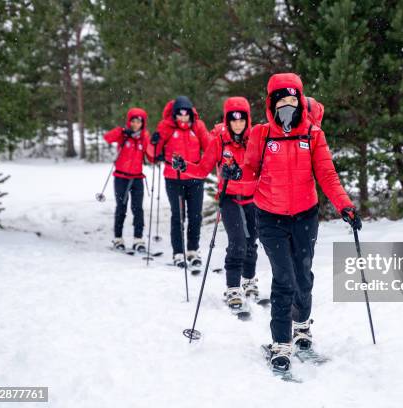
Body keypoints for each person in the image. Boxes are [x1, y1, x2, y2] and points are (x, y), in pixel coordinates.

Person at [228, 73, 363, 372]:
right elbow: (250, 170)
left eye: (292, 99)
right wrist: (236, 176)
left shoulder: (313, 134)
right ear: (271, 103)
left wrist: (345, 205)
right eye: (281, 100)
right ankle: (281, 342)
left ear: (300, 101)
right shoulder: (261, 135)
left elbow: (327, 175)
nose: (287, 105)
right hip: (270, 217)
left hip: (305, 215)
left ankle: (302, 326)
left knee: (303, 275)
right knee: (284, 278)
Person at [173, 96, 259, 309]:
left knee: (251, 243)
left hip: (253, 199)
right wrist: (185, 166)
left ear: (247, 120)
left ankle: (249, 280)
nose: (238, 124)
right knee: (238, 242)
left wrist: (242, 172)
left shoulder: (256, 140)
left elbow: (263, 168)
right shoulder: (220, 142)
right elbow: (203, 169)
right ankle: (232, 287)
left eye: (242, 120)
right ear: (227, 121)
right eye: (233, 120)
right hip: (229, 199)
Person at [149, 96, 212, 270]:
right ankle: (178, 252)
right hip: (173, 177)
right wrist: (153, 143)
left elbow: (209, 148)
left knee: (195, 216)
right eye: (180, 114)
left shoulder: (198, 126)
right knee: (178, 216)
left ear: (191, 113)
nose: (183, 117)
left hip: (195, 178)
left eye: (186, 114)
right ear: (174, 114)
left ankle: (193, 250)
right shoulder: (166, 127)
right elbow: (153, 155)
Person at [103, 107, 151, 252]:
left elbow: (151, 155)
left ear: (143, 123)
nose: (136, 124)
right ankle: (118, 238)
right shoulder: (123, 134)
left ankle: (138, 239)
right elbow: (107, 137)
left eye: (139, 122)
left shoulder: (144, 137)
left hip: (137, 178)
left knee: (138, 209)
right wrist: (122, 131)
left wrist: (156, 147)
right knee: (121, 208)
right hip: (121, 177)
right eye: (133, 121)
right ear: (129, 122)